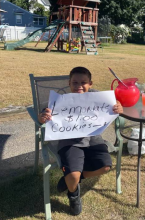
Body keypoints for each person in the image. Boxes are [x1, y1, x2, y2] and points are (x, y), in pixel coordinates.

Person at [38, 67, 123, 215]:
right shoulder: (61, 100)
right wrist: (42, 118)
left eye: (83, 82)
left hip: (93, 139)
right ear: (69, 83)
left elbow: (114, 107)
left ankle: (73, 179)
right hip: (69, 140)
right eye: (75, 82)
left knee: (105, 166)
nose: (79, 86)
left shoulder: (97, 96)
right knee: (72, 175)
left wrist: (118, 108)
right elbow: (43, 115)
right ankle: (73, 194)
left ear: (90, 83)